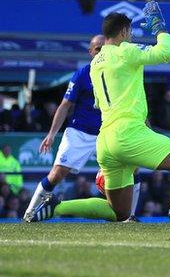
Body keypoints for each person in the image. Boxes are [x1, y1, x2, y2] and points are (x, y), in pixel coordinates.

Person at [30, 1, 170, 222]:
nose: (131, 36)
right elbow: (167, 53)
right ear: (123, 32)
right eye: (130, 32)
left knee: (119, 213)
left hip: (105, 140)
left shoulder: (95, 64)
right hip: (129, 133)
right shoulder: (125, 51)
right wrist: (158, 25)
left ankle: (57, 207)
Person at [24, 35, 144, 221]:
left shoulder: (118, 73)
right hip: (80, 132)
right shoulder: (82, 74)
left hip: (108, 133)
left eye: (104, 48)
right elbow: (65, 105)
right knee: (56, 175)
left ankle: (131, 217)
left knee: (133, 168)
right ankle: (29, 213)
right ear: (90, 52)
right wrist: (51, 134)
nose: (100, 52)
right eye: (97, 48)